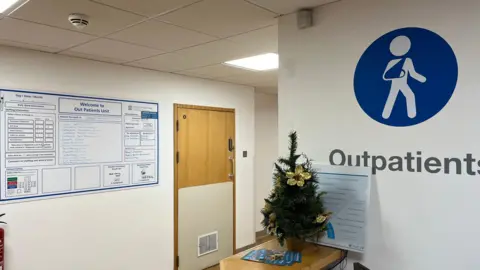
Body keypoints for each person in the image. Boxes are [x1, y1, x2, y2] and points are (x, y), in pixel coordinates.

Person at [382, 35, 427, 119]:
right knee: (408, 95)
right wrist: (422, 79)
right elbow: (385, 76)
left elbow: (412, 73)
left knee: (394, 97)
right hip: (397, 83)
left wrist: (422, 79)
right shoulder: (393, 62)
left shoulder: (407, 60)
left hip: (402, 83)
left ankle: (386, 115)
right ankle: (411, 115)